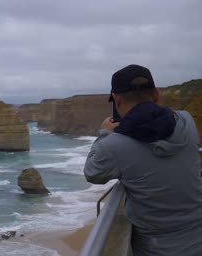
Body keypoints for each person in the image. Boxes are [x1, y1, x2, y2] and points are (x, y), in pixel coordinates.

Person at [84, 64, 202, 255]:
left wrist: (104, 133)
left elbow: (92, 173)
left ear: (116, 99)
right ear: (156, 94)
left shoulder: (113, 145)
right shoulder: (186, 121)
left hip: (156, 249)